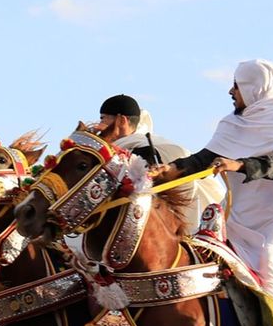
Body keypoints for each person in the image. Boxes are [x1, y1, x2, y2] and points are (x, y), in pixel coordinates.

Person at [149, 60, 273, 310]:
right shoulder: (232, 124)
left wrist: (241, 165)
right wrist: (168, 170)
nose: (230, 92)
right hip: (240, 214)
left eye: (236, 86)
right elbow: (203, 160)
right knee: (200, 252)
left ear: (256, 87)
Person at [90, 94, 224, 232]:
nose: (99, 125)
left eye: (103, 118)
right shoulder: (124, 147)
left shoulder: (145, 149)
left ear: (121, 121)